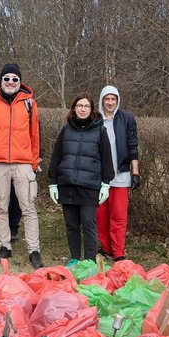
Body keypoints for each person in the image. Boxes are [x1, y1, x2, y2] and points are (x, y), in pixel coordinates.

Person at [0, 63, 43, 269]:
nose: (11, 82)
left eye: (15, 79)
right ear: (1, 80)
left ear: (20, 82)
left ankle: (34, 250)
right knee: (1, 207)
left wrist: (34, 163)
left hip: (23, 164)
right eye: (7, 78)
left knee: (29, 207)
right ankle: (5, 246)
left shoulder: (30, 104)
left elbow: (35, 136)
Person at [48, 94, 115, 266]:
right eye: (79, 105)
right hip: (67, 185)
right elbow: (56, 157)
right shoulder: (66, 130)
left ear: (91, 110)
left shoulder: (100, 131)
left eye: (86, 106)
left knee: (88, 225)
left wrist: (106, 184)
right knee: (71, 225)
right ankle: (75, 259)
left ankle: (90, 261)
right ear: (74, 108)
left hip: (89, 186)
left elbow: (107, 158)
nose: (83, 109)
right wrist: (53, 182)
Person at [96, 84, 140, 262]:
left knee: (119, 215)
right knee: (101, 214)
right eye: (107, 99)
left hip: (121, 174)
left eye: (113, 99)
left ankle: (118, 251)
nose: (110, 102)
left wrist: (135, 172)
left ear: (117, 100)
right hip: (100, 175)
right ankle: (105, 247)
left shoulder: (127, 119)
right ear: (102, 100)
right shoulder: (95, 119)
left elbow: (132, 146)